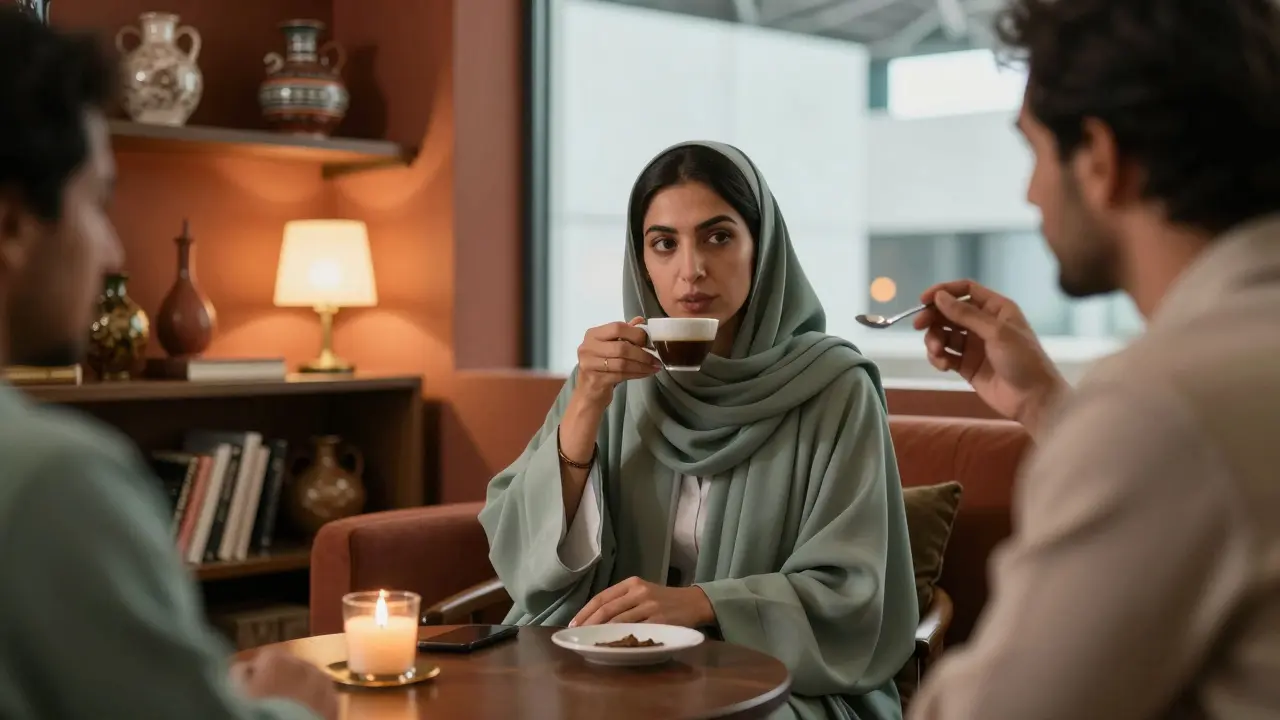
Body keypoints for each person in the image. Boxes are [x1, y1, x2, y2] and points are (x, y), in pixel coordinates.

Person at [907, 1, 1280, 718]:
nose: (1030, 192)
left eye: (1035, 152)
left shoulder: (1161, 404)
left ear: (1101, 160)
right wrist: (1046, 404)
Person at [480, 141, 918, 719]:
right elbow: (521, 549)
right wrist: (585, 405)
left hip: (774, 678)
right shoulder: (610, 376)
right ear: (642, 259)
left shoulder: (836, 389)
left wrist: (703, 604)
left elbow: (853, 591)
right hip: (607, 660)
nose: (691, 270)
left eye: (718, 237)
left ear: (762, 247)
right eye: (665, 243)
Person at [0, 10, 337, 719]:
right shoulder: (54, 480)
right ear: (13, 225)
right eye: (96, 202)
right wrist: (293, 706)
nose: (114, 251)